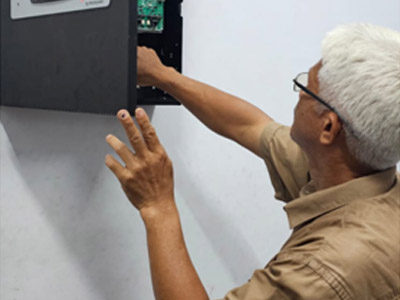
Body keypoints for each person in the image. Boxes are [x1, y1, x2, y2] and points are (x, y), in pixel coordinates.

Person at [104, 23, 400, 300]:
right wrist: (163, 76)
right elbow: (249, 126)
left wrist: (158, 207)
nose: (299, 94)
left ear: (329, 127)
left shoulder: (324, 269)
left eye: (307, 89)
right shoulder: (355, 172)